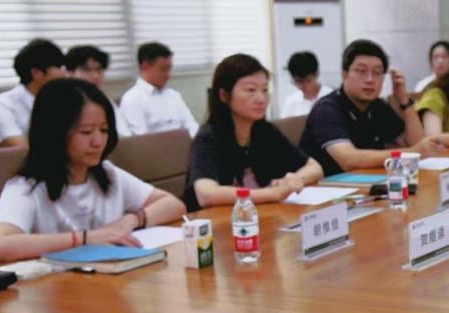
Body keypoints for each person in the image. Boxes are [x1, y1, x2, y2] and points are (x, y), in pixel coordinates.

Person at [0, 79, 186, 264]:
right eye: (86, 132)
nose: (98, 142)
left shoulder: (107, 174)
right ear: (55, 133)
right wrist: (84, 238)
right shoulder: (26, 187)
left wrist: (131, 220)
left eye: (104, 130)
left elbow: (174, 204)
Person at [185, 54, 323, 212]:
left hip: (261, 215)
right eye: (250, 90)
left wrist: (294, 180)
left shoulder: (265, 131)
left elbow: (314, 167)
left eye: (265, 90)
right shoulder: (208, 138)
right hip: (218, 221)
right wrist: (271, 193)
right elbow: (206, 194)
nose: (261, 99)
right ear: (224, 95)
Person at [301, 39, 442, 177]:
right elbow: (349, 160)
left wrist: (404, 101)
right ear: (344, 74)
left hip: (367, 182)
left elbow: (415, 143)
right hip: (328, 187)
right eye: (361, 71)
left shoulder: (377, 106)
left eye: (377, 72)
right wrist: (410, 152)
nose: (370, 79)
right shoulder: (326, 109)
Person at [0, 39, 65, 148]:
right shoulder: (3, 105)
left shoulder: (61, 100)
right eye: (59, 67)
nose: (64, 73)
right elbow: (21, 149)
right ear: (36, 73)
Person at [120, 42, 199, 136]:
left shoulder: (174, 95)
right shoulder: (132, 99)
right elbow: (141, 139)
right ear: (145, 67)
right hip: (155, 145)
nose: (168, 74)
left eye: (169, 69)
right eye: (163, 69)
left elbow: (191, 126)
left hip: (184, 144)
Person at [65, 45, 131, 137]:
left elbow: (124, 134)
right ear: (70, 73)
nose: (95, 76)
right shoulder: (65, 103)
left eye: (99, 70)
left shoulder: (105, 99)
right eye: (87, 70)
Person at [281, 51, 333, 117]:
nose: (302, 86)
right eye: (298, 81)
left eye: (308, 80)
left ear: (317, 74)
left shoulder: (331, 98)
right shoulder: (291, 102)